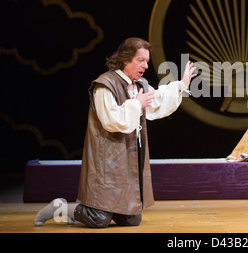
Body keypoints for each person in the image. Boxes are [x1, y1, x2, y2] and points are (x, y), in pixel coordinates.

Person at [34, 37, 196, 228]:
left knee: (132, 219)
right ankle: (59, 208)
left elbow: (158, 101)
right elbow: (111, 120)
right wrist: (137, 103)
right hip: (107, 155)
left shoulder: (139, 84)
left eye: (147, 61)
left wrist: (182, 83)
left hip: (129, 154)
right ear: (126, 59)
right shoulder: (105, 85)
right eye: (141, 60)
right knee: (99, 220)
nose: (145, 65)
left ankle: (89, 212)